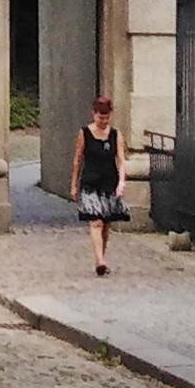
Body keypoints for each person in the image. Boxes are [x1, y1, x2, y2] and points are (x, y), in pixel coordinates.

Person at [72, 92, 127, 274]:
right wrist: (74, 184)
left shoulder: (115, 135)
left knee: (106, 224)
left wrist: (121, 181)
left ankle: (101, 256)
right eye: (99, 117)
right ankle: (100, 260)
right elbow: (78, 159)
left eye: (106, 117)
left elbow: (120, 159)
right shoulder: (85, 133)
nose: (103, 121)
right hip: (90, 182)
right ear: (93, 114)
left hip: (109, 183)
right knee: (95, 221)